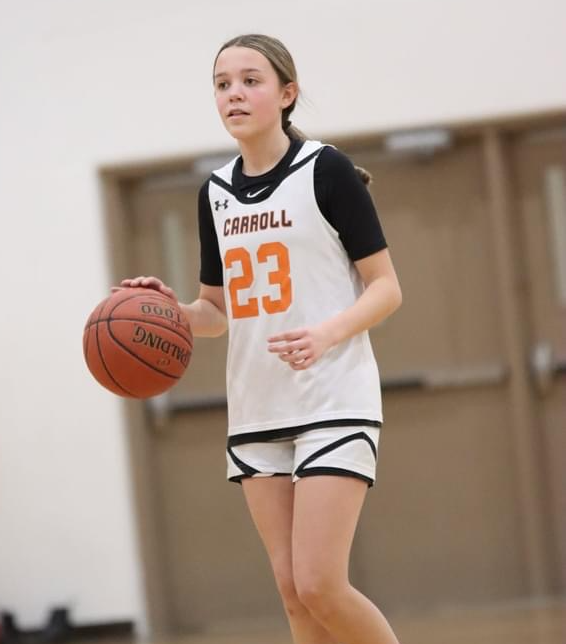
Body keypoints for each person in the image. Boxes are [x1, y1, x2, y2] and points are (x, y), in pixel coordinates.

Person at [119, 33, 402, 644]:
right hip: (257, 405)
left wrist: (327, 333)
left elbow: (385, 288)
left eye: (250, 80)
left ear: (287, 93)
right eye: (222, 84)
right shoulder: (214, 193)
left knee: (321, 582)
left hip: (333, 398)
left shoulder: (325, 171)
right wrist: (168, 310)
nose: (234, 94)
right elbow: (218, 312)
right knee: (295, 596)